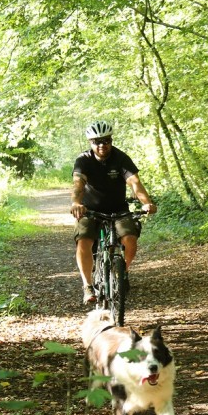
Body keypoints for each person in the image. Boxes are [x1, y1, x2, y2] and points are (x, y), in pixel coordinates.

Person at [70, 120, 157, 304]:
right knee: (84, 239)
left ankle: (122, 271)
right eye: (97, 141)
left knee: (130, 238)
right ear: (90, 143)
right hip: (90, 210)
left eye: (106, 140)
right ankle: (87, 286)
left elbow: (134, 182)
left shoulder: (120, 158)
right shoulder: (84, 160)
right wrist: (77, 202)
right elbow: (78, 183)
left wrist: (147, 202)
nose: (102, 145)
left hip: (118, 209)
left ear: (111, 140)